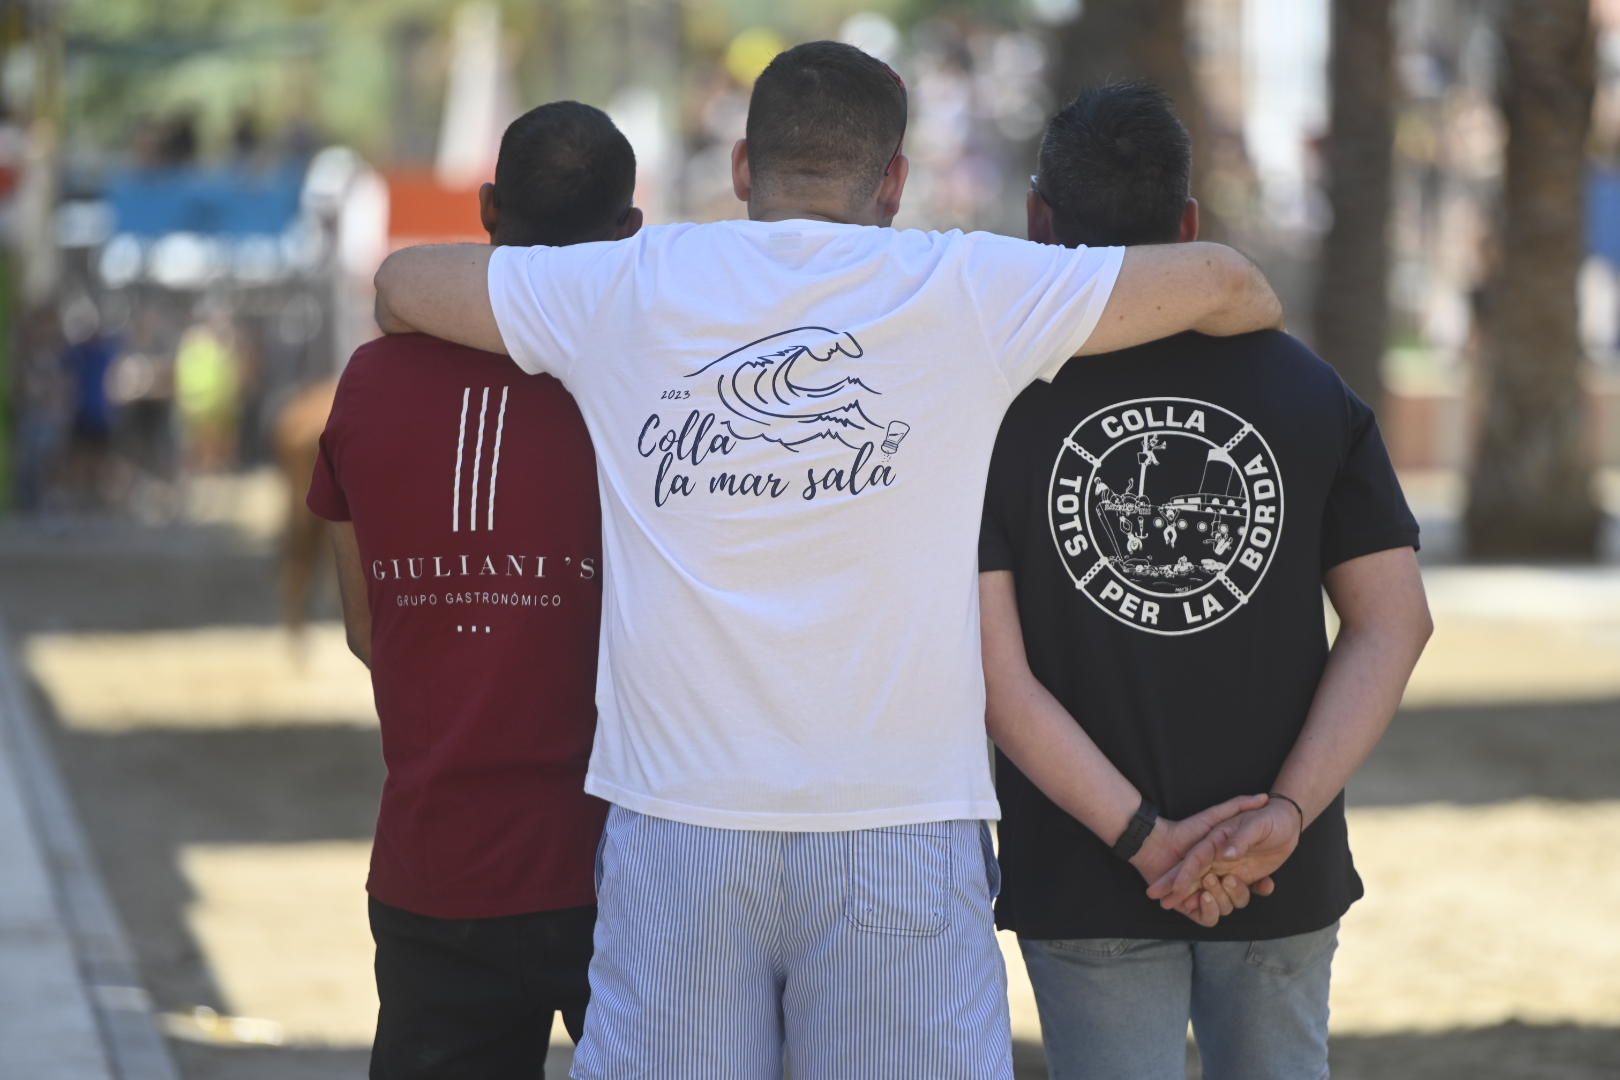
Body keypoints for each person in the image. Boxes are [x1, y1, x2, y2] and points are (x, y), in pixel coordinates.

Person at [370, 41, 1283, 1079]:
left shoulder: (628, 283)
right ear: (893, 181)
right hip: (899, 824)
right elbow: (1228, 285)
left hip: (680, 826)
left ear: (744, 168)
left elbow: (403, 285)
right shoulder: (965, 285)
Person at [978, 81, 1433, 1080]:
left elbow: (996, 682)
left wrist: (1145, 842)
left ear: (1036, 218)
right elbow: (1394, 622)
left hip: (1086, 869)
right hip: (1280, 867)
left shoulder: (993, 406)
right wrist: (1284, 816)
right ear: (1188, 226)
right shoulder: (1308, 385)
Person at [306, 101, 642, 1080]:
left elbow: (368, 632)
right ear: (628, 233)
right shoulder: (641, 385)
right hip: (619, 864)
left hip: (435, 861)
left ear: (487, 209)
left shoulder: (368, 382)